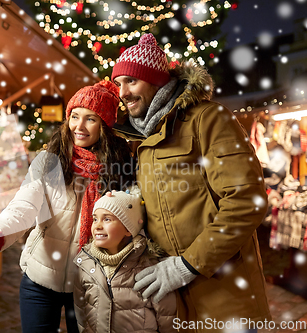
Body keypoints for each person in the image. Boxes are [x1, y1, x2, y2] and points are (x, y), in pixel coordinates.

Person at [111, 33, 271, 332]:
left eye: (131, 81)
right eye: (119, 84)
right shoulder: (141, 139)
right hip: (175, 305)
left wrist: (187, 265)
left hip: (225, 295)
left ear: (156, 81)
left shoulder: (208, 119)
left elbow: (247, 201)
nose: (123, 92)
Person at [0, 80, 136, 333]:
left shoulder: (119, 168)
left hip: (91, 285)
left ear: (105, 125)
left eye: (90, 119)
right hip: (40, 279)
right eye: (74, 116)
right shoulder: (50, 160)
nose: (79, 126)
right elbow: (24, 207)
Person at [74, 186, 177, 333]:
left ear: (128, 228)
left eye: (107, 219)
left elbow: (168, 318)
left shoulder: (149, 266)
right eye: (95, 219)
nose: (97, 225)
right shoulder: (85, 264)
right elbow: (81, 312)